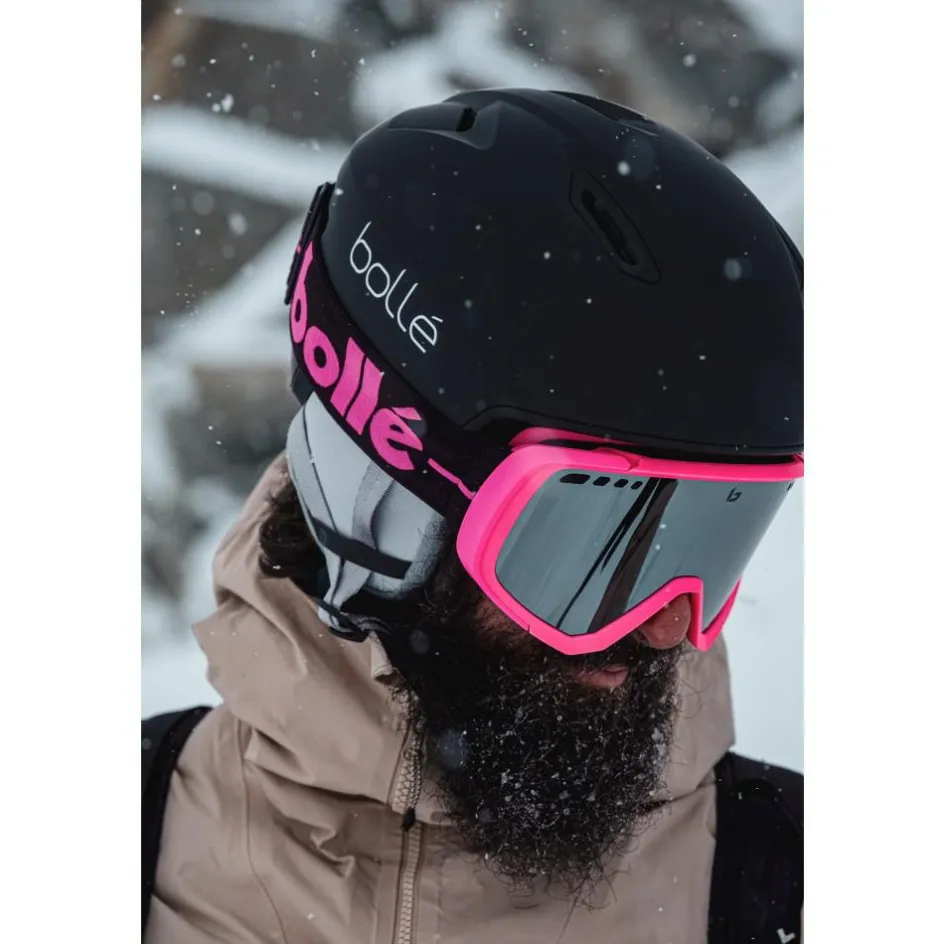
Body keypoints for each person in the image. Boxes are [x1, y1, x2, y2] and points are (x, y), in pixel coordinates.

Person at [144, 88, 803, 943]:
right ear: (381, 511)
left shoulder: (794, 887)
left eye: (712, 536)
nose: (671, 626)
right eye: (591, 544)